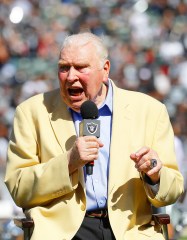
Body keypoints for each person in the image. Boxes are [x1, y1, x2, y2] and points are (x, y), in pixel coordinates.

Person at [4, 32, 184, 240]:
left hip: (129, 231)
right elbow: (18, 188)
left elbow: (174, 190)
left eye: (81, 67)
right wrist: (69, 162)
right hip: (63, 233)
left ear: (105, 70)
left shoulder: (150, 111)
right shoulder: (31, 112)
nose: (71, 76)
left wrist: (155, 174)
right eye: (64, 67)